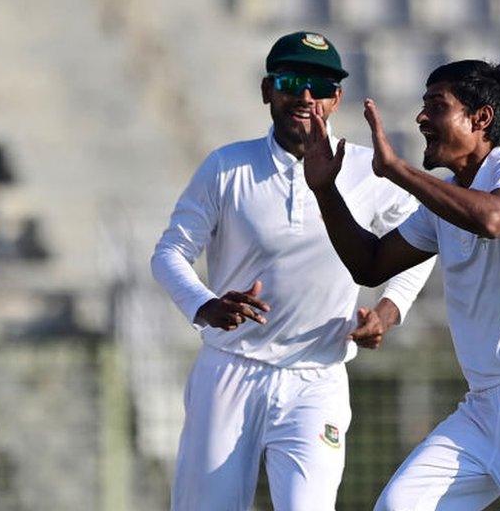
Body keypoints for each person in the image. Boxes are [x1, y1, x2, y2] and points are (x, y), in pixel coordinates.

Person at [301, 60, 500, 510]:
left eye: (436, 107)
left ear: (480, 119)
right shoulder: (442, 203)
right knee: (399, 506)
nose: (421, 118)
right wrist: (325, 190)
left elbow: (491, 218)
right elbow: (369, 265)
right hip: (484, 407)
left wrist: (397, 170)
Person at [150, 31, 435, 510]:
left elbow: (426, 240)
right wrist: (205, 305)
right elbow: (169, 253)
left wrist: (390, 310)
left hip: (317, 375)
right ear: (268, 90)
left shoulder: (369, 171)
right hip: (230, 370)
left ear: (337, 97)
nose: (306, 96)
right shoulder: (227, 167)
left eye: (321, 85)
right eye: (292, 81)